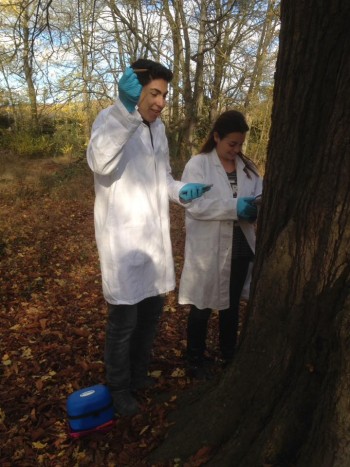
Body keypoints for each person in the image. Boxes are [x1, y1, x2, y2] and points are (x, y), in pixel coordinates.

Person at [87, 58, 208, 415]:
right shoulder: (111, 119)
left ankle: (139, 375)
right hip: (123, 243)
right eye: (154, 93)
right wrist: (125, 112)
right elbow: (99, 162)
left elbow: (163, 178)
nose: (161, 102)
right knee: (123, 323)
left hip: (154, 243)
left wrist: (181, 190)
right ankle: (118, 386)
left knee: (151, 314)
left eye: (164, 95)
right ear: (134, 90)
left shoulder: (159, 128)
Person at [178, 110, 263, 379]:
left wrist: (255, 209)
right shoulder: (199, 164)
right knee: (202, 304)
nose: (236, 150)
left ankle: (228, 355)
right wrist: (234, 208)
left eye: (240, 144)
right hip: (209, 248)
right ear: (216, 137)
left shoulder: (248, 169)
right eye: (231, 144)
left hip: (240, 248)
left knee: (231, 305)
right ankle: (194, 357)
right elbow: (195, 205)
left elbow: (261, 195)